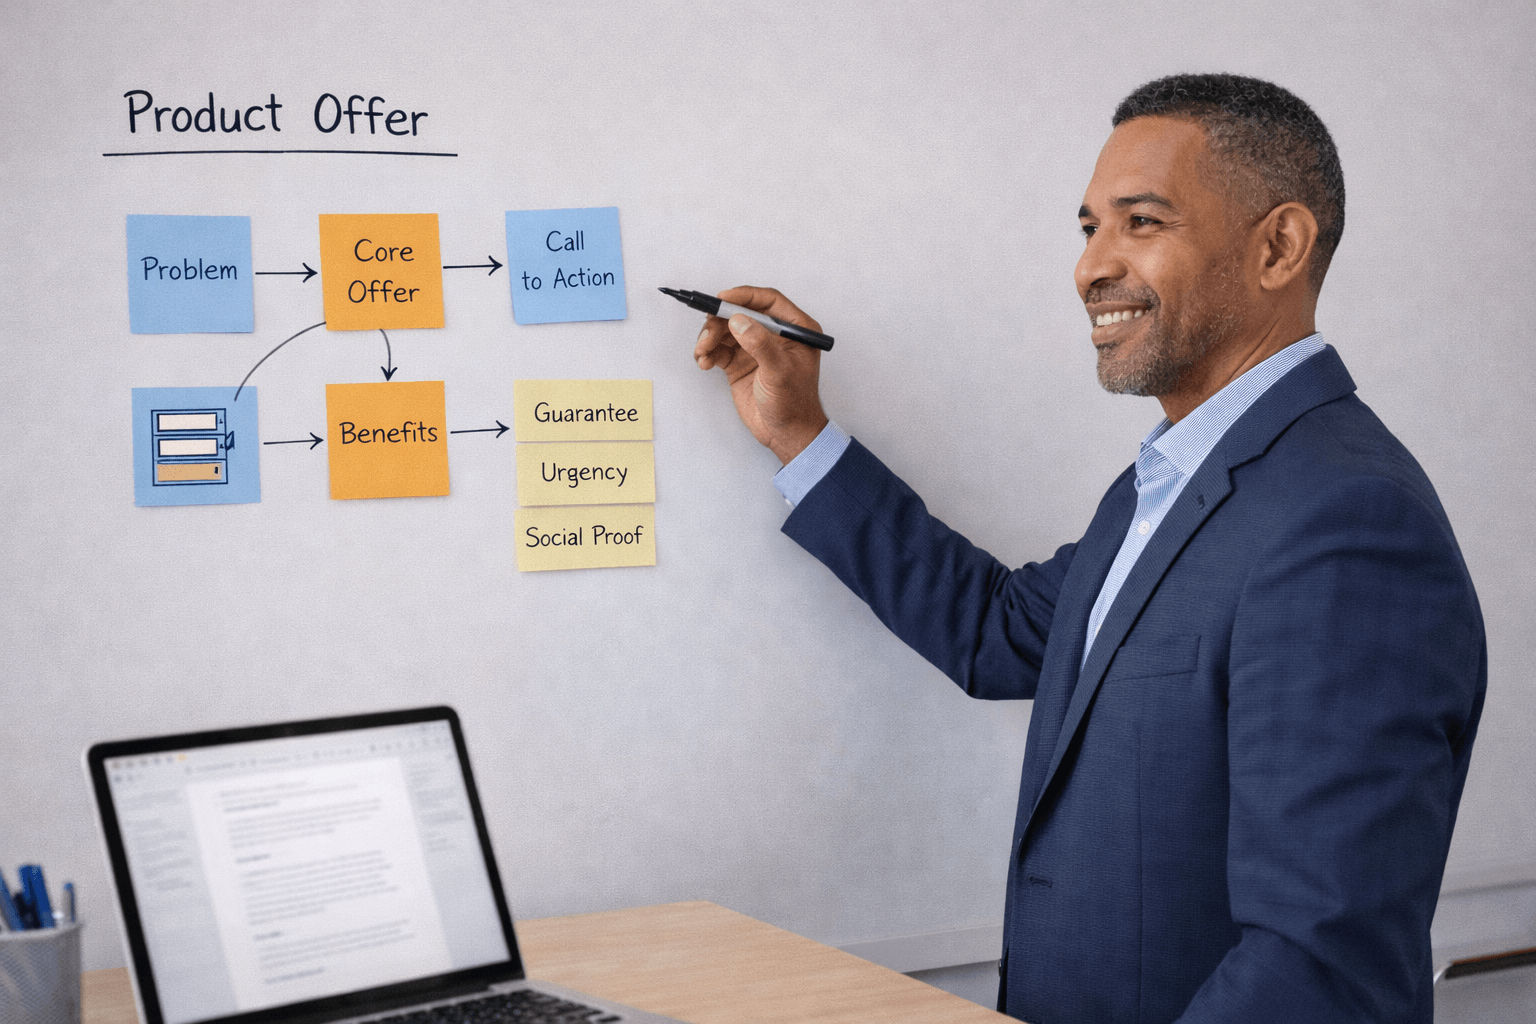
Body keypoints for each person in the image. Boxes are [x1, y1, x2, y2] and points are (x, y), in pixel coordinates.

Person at [692, 74, 1485, 1024]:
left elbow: (1320, 968)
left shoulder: (1348, 525)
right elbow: (997, 631)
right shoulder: (1173, 483)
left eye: (1141, 222)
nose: (1090, 269)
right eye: (1087, 228)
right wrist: (800, 434)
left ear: (1278, 247)